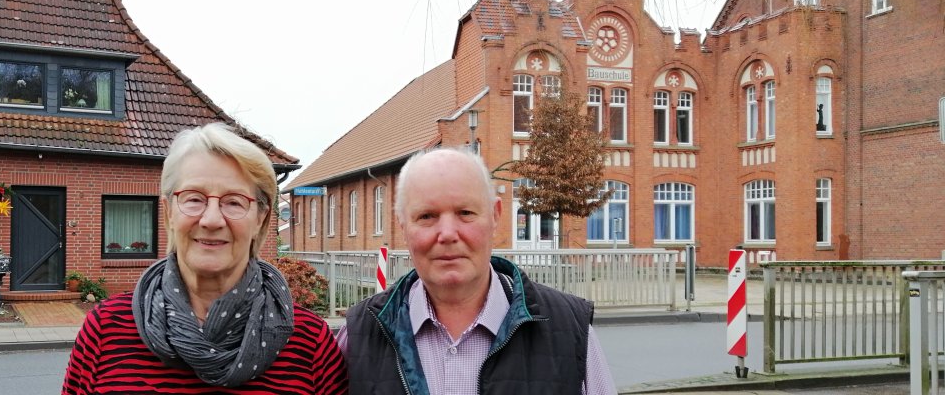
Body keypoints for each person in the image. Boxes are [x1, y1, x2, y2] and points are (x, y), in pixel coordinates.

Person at [63, 122, 348, 394]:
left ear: (261, 218)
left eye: (234, 202)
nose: (212, 220)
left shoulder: (310, 344)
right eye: (194, 198)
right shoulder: (106, 330)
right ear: (169, 212)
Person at [338, 147, 616, 395]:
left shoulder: (569, 331)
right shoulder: (359, 335)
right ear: (402, 226)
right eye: (426, 216)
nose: (447, 234)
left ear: (495, 215)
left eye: (465, 213)